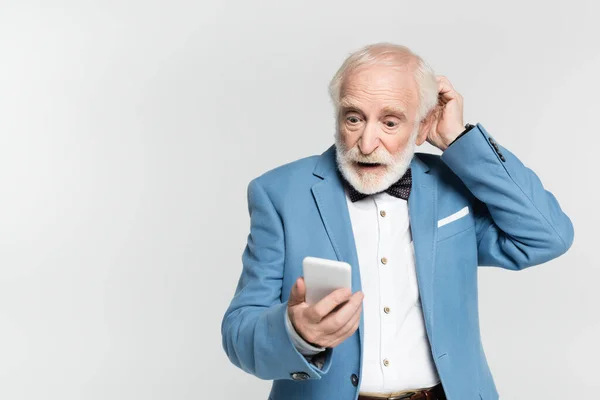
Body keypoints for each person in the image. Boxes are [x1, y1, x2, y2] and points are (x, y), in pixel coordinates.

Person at [220, 42, 574, 400]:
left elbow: (548, 236)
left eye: (390, 122)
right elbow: (239, 333)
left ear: (422, 128)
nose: (367, 142)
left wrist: (460, 141)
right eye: (354, 118)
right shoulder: (279, 193)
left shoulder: (453, 186)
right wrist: (296, 331)